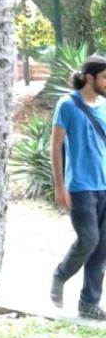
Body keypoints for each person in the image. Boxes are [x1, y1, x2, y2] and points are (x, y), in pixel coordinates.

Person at [50, 54, 106, 319]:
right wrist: (60, 186)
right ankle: (60, 275)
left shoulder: (105, 107)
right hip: (80, 187)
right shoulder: (67, 105)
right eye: (105, 77)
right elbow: (56, 146)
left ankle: (89, 303)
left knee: (102, 246)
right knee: (89, 239)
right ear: (89, 77)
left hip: (105, 186)